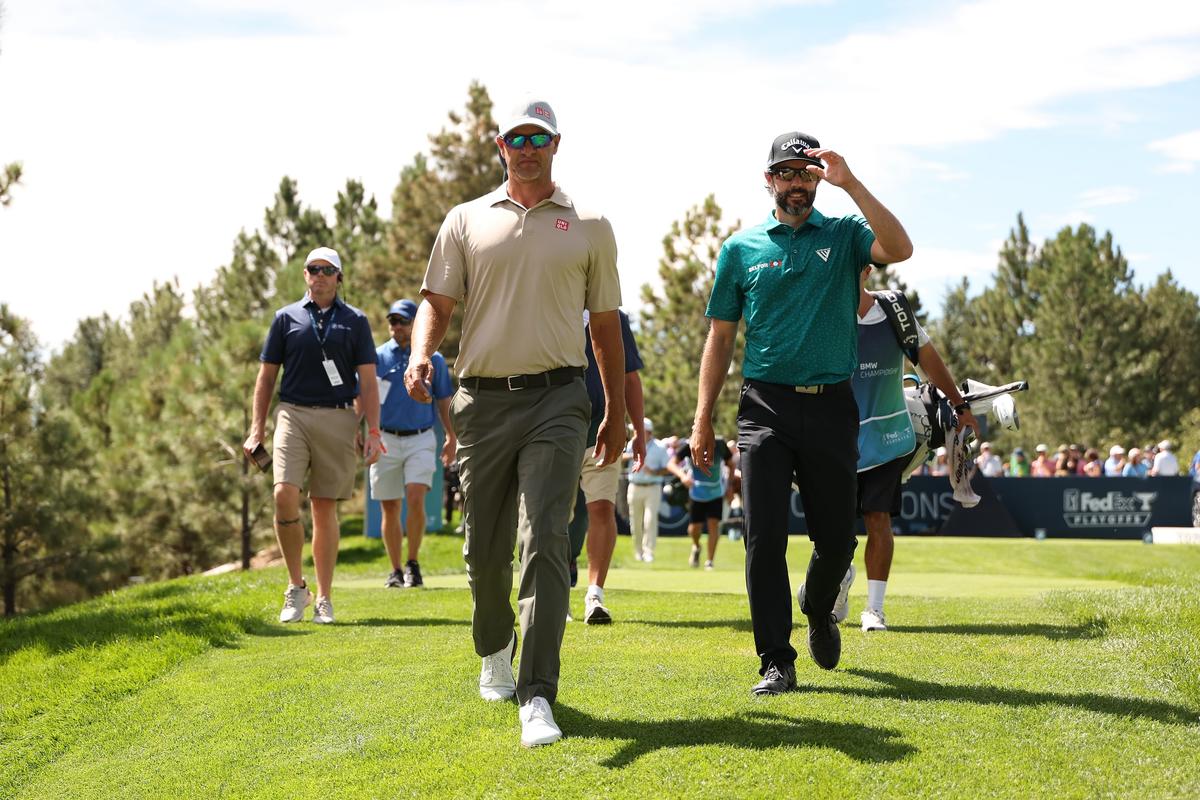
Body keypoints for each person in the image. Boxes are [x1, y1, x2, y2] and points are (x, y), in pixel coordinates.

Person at [404, 99, 624, 748]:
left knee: (546, 539)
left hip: (559, 400)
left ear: (557, 143)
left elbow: (606, 328)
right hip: (481, 402)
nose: (528, 148)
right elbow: (435, 304)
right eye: (516, 138)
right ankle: (493, 648)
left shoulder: (591, 225)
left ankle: (538, 694)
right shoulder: (465, 219)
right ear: (500, 145)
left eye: (540, 138)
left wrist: (613, 410)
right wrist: (421, 353)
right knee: (483, 551)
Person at [691, 130, 913, 696]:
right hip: (764, 406)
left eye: (806, 174)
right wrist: (701, 420)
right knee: (763, 536)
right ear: (769, 181)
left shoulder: (843, 236)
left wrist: (851, 182)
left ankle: (816, 607)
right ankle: (776, 659)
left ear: (817, 180)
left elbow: (900, 248)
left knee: (838, 539)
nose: (796, 183)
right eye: (786, 173)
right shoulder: (741, 249)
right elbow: (719, 338)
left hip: (831, 406)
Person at [805, 263, 977, 634]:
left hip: (887, 439)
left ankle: (875, 609)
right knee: (831, 534)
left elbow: (929, 360)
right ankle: (840, 578)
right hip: (837, 444)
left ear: (865, 271)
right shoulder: (821, 318)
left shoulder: (895, 311)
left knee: (877, 518)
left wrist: (960, 405)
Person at [244, 246, 383, 625]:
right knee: (284, 494)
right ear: (305, 275)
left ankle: (324, 597)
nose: (319, 275)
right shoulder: (285, 318)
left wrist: (373, 429)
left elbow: (368, 383)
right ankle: (296, 587)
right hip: (293, 413)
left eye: (327, 270)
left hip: (339, 417)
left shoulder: (355, 321)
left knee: (323, 507)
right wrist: (257, 428)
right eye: (312, 269)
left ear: (339, 277)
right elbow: (267, 377)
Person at [568, 308, 646, 625]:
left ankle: (594, 595)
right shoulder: (552, 304)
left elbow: (629, 376)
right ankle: (555, 593)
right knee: (554, 515)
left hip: (603, 432)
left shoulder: (616, 317)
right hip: (555, 432)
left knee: (601, 509)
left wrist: (639, 431)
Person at [371, 298, 456, 589]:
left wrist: (450, 435)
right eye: (392, 321)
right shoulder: (378, 356)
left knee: (416, 497)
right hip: (385, 439)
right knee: (390, 507)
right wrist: (364, 432)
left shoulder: (435, 359)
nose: (396, 327)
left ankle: (413, 563)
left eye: (403, 321)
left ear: (415, 323)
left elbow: (444, 399)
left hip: (421, 437)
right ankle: (395, 569)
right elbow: (366, 397)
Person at [669, 436, 735, 570]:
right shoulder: (690, 444)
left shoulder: (720, 444)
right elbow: (671, 464)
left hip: (716, 492)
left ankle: (710, 561)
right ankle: (697, 546)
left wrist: (729, 487)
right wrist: (683, 476)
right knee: (694, 529)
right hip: (696, 493)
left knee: (713, 525)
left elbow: (731, 464)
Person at [626, 418, 670, 562]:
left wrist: (655, 472)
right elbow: (621, 457)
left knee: (650, 520)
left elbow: (666, 467)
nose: (635, 433)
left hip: (653, 487)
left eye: (638, 430)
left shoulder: (659, 447)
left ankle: (648, 551)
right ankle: (638, 551)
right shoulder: (632, 444)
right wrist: (632, 456)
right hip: (634, 486)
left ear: (647, 432)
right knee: (636, 521)